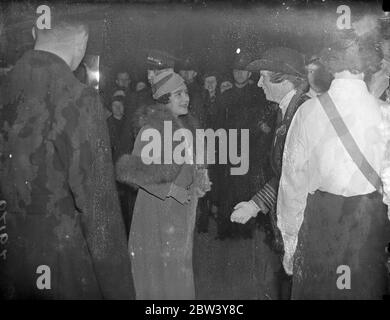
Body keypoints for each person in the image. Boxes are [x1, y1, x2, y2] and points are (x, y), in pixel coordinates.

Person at [0, 18, 134, 299]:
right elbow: (99, 212)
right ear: (81, 44)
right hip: (58, 263)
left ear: (34, 33)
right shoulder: (78, 98)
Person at [273, 34, 390, 299]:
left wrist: (290, 245)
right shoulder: (385, 113)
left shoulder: (307, 113)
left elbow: (292, 185)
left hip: (320, 227)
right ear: (370, 63)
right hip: (368, 229)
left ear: (331, 63)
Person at [116, 70, 211, 300]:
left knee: (177, 272)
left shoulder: (186, 127)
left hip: (181, 214)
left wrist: (199, 179)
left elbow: (192, 162)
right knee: (158, 278)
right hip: (156, 214)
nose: (185, 98)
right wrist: (172, 190)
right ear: (164, 99)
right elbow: (133, 173)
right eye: (178, 94)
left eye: (185, 92)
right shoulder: (151, 130)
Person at [230, 47, 310, 299]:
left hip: (303, 223)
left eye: (264, 75)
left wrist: (256, 204)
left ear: (284, 79)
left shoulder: (302, 112)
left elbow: (293, 174)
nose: (259, 81)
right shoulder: (287, 109)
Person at [216, 49, 270, 240]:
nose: (239, 73)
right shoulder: (224, 96)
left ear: (249, 73)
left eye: (243, 70)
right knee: (227, 190)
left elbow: (265, 125)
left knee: (245, 190)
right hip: (228, 151)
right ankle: (225, 229)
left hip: (251, 153)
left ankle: (244, 231)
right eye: (236, 70)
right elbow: (216, 125)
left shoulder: (259, 94)